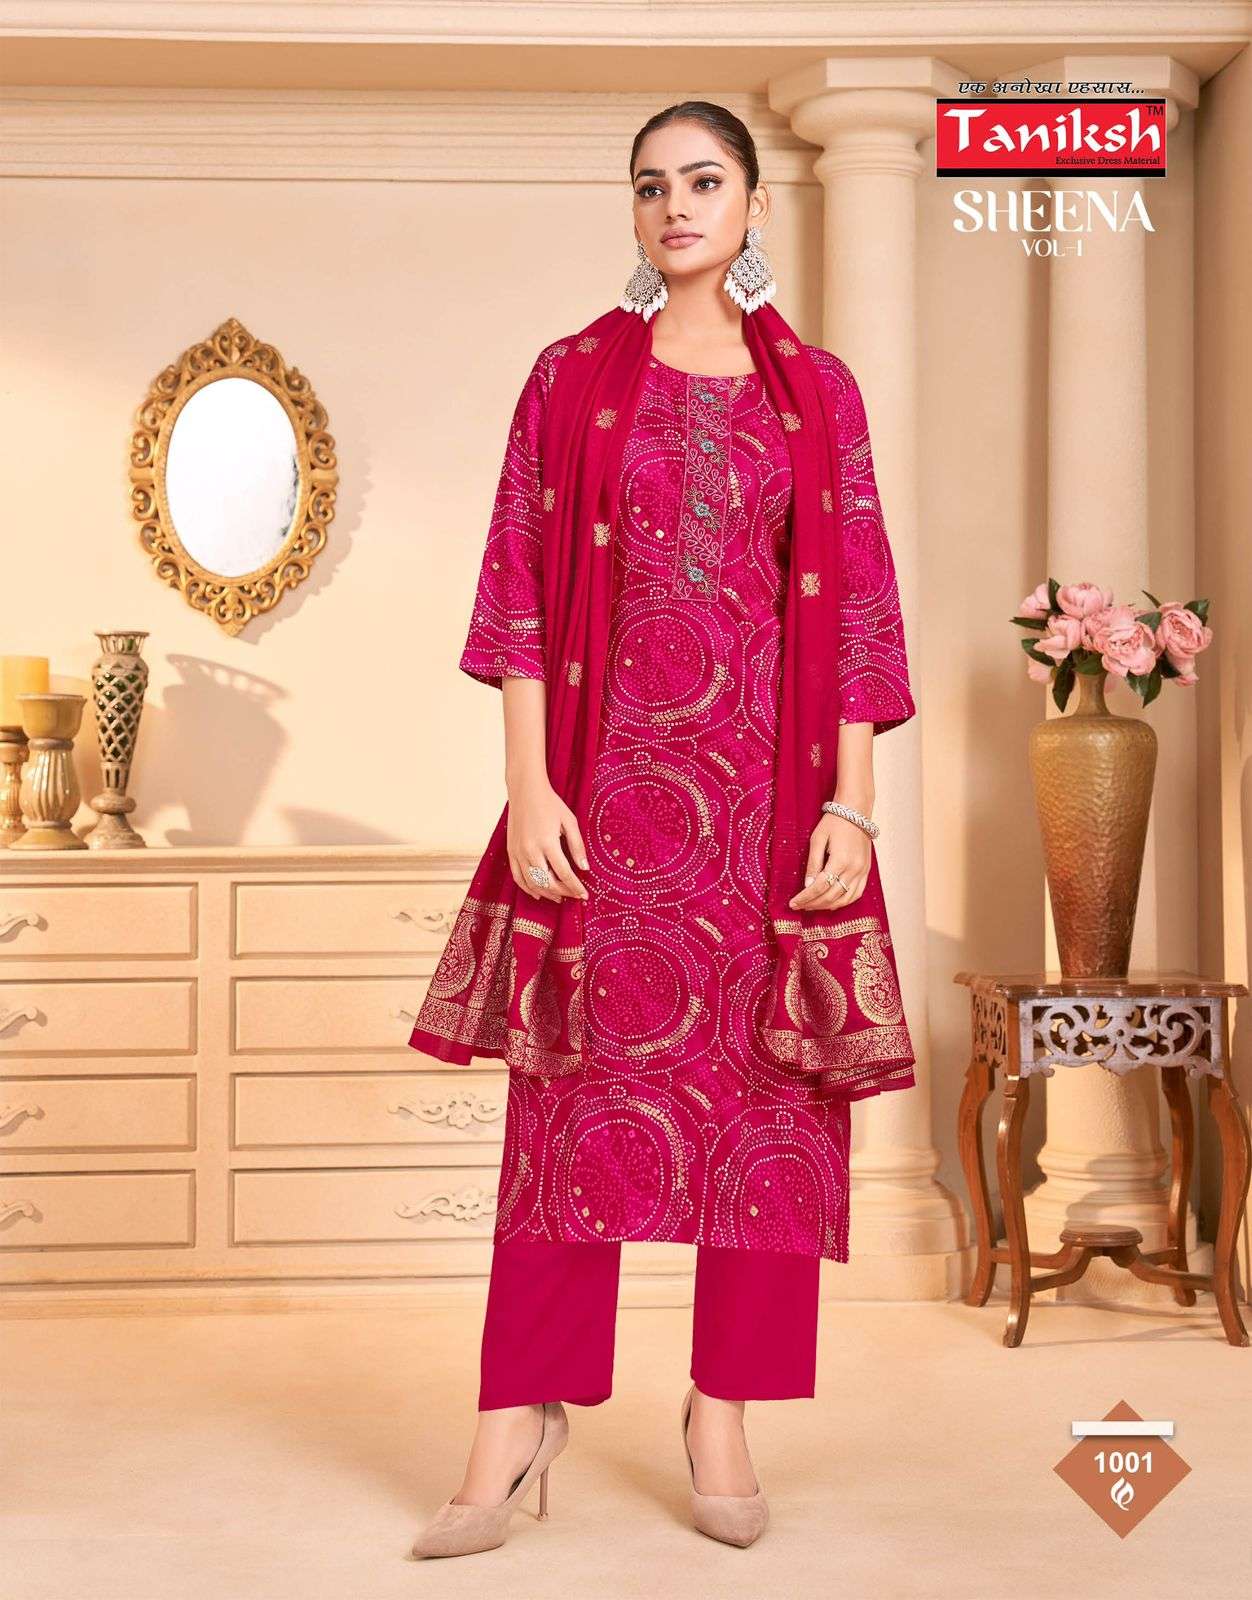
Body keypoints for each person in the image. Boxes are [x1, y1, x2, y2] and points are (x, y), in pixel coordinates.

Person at [408, 99, 917, 1559]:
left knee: (764, 1115)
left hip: (764, 813)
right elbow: (517, 589)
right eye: (651, 186)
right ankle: (516, 1419)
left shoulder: (817, 393)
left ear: (752, 205)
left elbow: (860, 605)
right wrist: (530, 787)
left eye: (703, 182)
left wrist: (850, 805)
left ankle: (722, 1413)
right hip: (603, 796)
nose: (676, 206)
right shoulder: (572, 377)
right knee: (565, 1106)